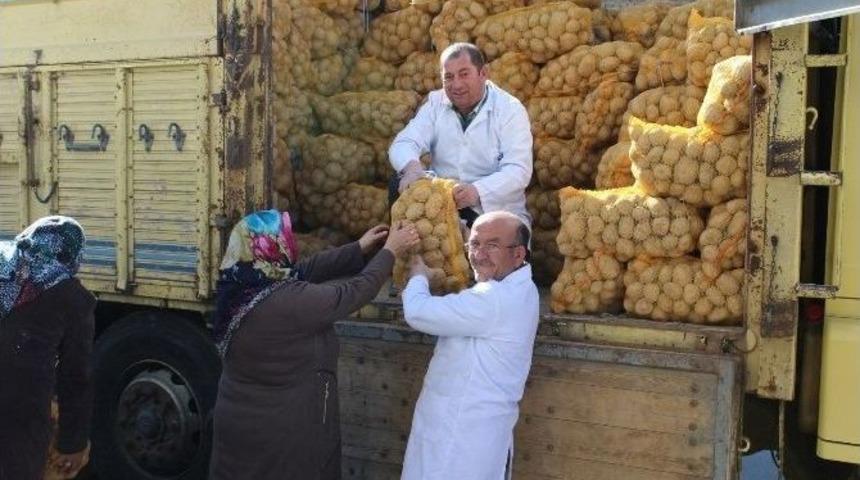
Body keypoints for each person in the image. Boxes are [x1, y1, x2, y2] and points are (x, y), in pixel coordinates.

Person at [208, 210, 419, 480]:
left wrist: (359, 249)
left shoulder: (241, 285)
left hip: (241, 426)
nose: (291, 241)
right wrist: (390, 252)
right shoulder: (285, 301)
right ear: (271, 246)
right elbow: (351, 293)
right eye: (284, 237)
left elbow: (303, 271)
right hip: (280, 434)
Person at [400, 211, 539, 480]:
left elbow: (417, 311)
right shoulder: (519, 288)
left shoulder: (495, 299)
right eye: (474, 244)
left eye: (493, 245)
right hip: (467, 431)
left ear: (519, 255)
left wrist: (418, 276)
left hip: (461, 437)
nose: (480, 253)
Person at [389, 42, 533, 228]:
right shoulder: (436, 103)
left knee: (487, 246)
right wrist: (412, 168)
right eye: (448, 77)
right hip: (443, 207)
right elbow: (404, 141)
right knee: (398, 183)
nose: (456, 84)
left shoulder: (510, 110)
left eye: (464, 74)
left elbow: (518, 170)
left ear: (483, 73)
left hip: (495, 212)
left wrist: (477, 191)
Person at [0, 216, 96, 480]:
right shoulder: (72, 298)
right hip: (20, 416)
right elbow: (75, 378)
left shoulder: (4, 266)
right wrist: (72, 443)